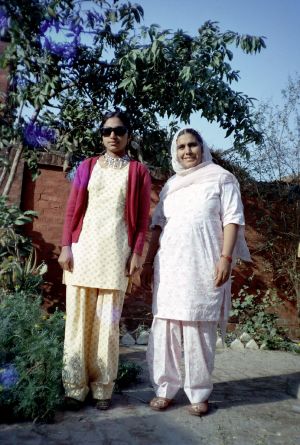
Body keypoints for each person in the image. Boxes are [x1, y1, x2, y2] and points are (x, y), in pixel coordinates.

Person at [141, 127, 251, 416]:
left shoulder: (221, 178)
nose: (187, 151)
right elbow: (157, 226)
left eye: (192, 145)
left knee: (198, 327)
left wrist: (226, 258)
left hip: (203, 265)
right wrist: (147, 261)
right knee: (164, 328)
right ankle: (164, 389)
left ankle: (198, 392)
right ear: (174, 152)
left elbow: (233, 219)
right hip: (170, 267)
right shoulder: (171, 186)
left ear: (203, 148)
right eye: (181, 147)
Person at [58, 110, 151, 410]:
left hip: (115, 256)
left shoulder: (138, 172)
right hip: (83, 251)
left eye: (120, 130)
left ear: (129, 135)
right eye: (107, 130)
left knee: (107, 326)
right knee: (77, 322)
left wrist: (137, 253)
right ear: (101, 135)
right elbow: (72, 210)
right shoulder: (86, 166)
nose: (113, 135)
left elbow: (141, 220)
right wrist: (65, 247)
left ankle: (102, 389)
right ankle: (74, 388)